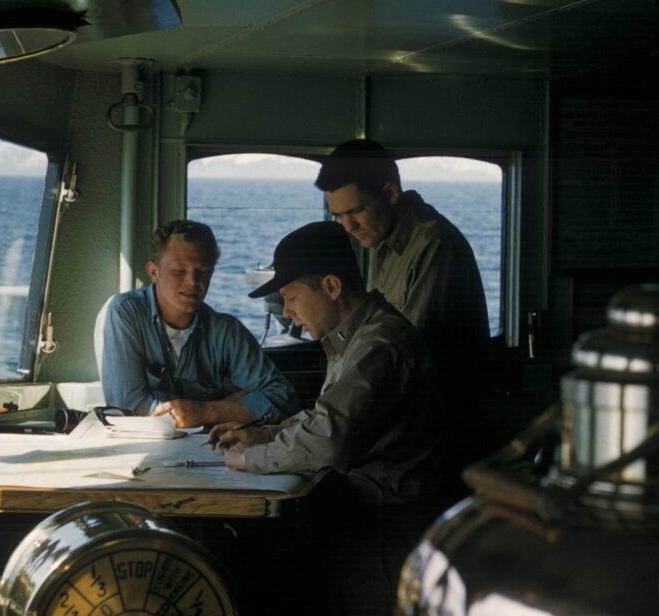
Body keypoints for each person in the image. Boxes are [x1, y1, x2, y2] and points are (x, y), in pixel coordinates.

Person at [212, 220, 447, 505]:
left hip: (387, 512)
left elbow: (329, 442)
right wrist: (265, 436)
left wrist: (249, 459)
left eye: (291, 297)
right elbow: (327, 422)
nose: (286, 313)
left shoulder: (378, 345)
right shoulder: (352, 337)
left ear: (331, 287)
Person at [98, 220, 299, 427]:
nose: (192, 282)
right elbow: (128, 408)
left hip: (213, 445)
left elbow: (284, 397)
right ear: (153, 272)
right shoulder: (125, 313)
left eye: (202, 272)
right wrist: (231, 404)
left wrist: (207, 411)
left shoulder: (226, 331)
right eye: (179, 271)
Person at [314, 138, 489, 373]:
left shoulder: (434, 243)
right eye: (339, 216)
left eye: (356, 211)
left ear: (390, 193)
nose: (348, 227)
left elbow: (407, 350)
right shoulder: (381, 236)